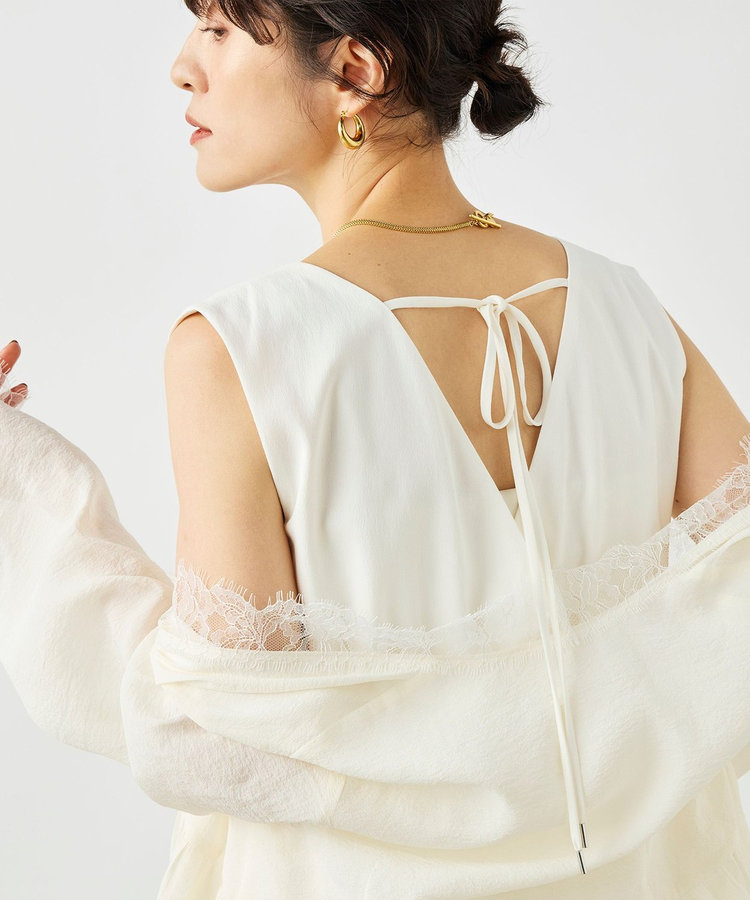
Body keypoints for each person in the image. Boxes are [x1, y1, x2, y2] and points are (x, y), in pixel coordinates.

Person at [2, 1, 750, 897]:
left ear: (355, 72)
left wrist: (16, 476)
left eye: (220, 30)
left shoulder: (241, 350)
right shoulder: (626, 307)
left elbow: (218, 730)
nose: (183, 67)